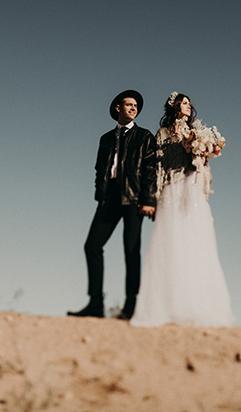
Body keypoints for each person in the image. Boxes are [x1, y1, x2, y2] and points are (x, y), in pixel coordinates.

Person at [131, 92, 235, 327]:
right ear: (175, 106)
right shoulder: (163, 133)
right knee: (172, 240)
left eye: (190, 103)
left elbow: (202, 162)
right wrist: (155, 195)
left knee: (196, 240)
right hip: (172, 187)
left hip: (192, 187)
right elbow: (158, 164)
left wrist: (204, 152)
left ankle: (197, 304)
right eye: (184, 103)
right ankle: (168, 305)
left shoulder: (197, 131)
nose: (189, 106)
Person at [68, 90, 158, 320]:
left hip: (134, 198)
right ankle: (96, 304)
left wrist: (148, 200)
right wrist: (100, 194)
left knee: (131, 250)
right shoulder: (106, 139)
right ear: (118, 108)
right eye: (129, 104)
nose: (133, 108)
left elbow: (150, 170)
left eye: (136, 106)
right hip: (110, 198)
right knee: (92, 246)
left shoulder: (145, 136)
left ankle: (131, 306)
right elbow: (100, 169)